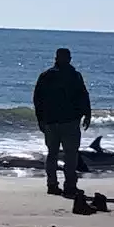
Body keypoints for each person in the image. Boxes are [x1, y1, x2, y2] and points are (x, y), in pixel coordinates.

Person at [33, 48, 92, 197]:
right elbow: (84, 96)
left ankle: (52, 184)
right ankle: (69, 186)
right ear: (69, 59)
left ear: (56, 58)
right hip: (69, 121)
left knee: (52, 154)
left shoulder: (46, 76)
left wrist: (40, 119)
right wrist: (87, 114)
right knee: (70, 155)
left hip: (51, 121)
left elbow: (37, 100)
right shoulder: (74, 76)